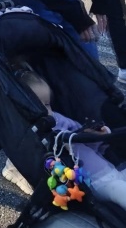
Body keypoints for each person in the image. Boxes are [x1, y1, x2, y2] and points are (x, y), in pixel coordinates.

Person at [20, 68, 126, 211]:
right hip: (95, 181)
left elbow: (86, 137)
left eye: (48, 104)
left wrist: (97, 134)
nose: (49, 111)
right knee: (120, 190)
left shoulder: (59, 118)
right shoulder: (35, 134)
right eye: (42, 105)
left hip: (109, 169)